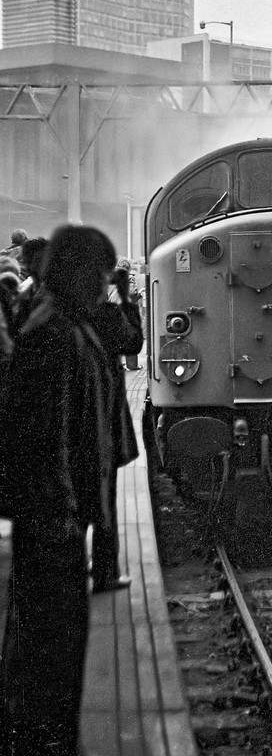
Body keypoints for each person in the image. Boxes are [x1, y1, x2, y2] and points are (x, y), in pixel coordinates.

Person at [0, 225, 116, 756]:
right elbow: (46, 439)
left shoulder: (62, 324)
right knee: (49, 658)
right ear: (76, 272)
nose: (103, 287)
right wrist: (64, 516)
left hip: (57, 523)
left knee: (51, 655)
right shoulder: (53, 333)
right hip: (53, 528)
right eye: (100, 275)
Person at [91, 263, 143, 593]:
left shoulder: (45, 310)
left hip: (77, 423)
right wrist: (126, 299)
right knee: (103, 498)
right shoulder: (105, 314)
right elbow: (133, 343)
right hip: (100, 419)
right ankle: (106, 571)